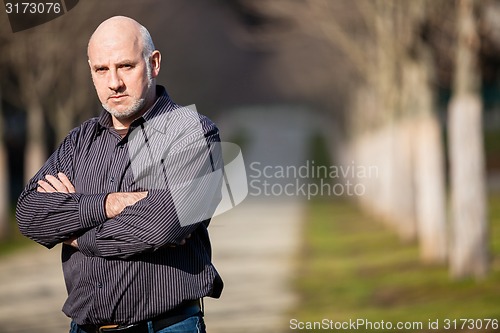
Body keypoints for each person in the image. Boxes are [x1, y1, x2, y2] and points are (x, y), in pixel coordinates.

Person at [16, 16, 224, 333]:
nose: (114, 82)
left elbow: (162, 225)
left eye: (125, 66)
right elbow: (30, 214)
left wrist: (76, 235)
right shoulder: (78, 142)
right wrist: (108, 205)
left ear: (153, 63)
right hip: (84, 327)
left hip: (167, 327)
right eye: (101, 69)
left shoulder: (192, 134)